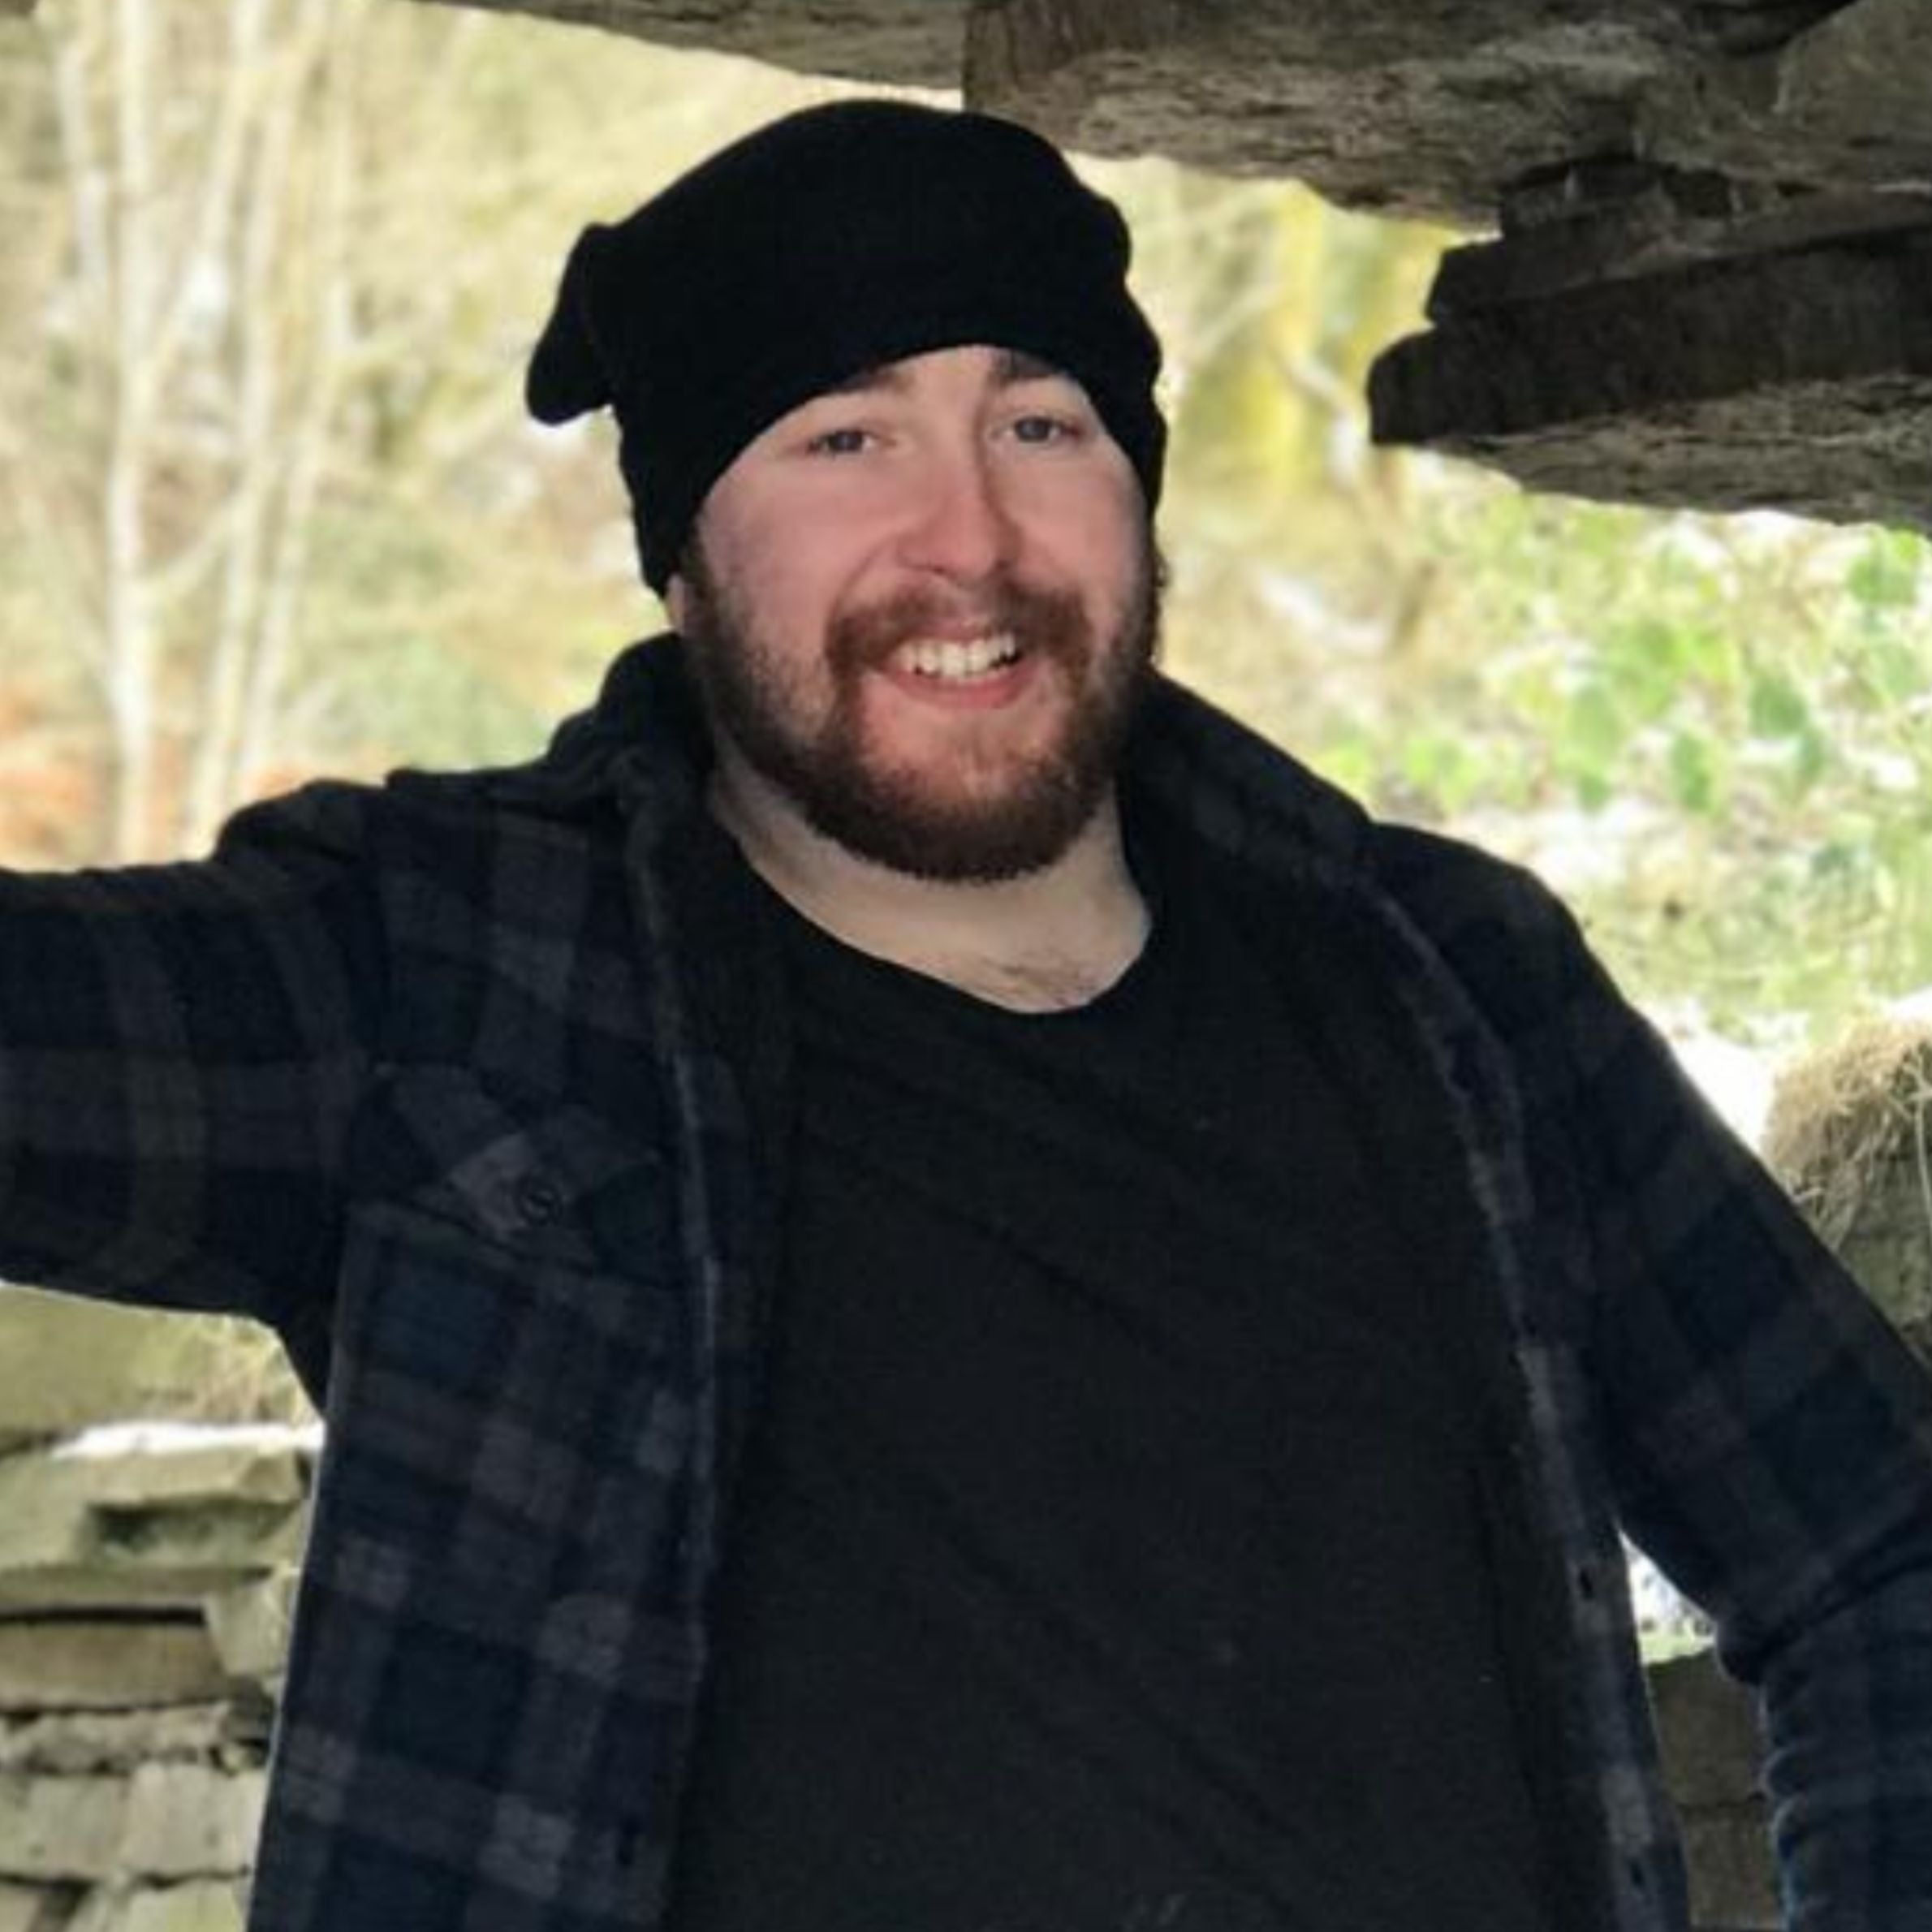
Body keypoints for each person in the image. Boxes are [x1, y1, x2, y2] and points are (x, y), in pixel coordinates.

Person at [1, 97, 1929, 1932]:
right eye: (842, 440)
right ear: (684, 553)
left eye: (1041, 423)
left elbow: (1874, 1556)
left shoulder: (1451, 986)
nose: (969, 542)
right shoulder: (440, 975)